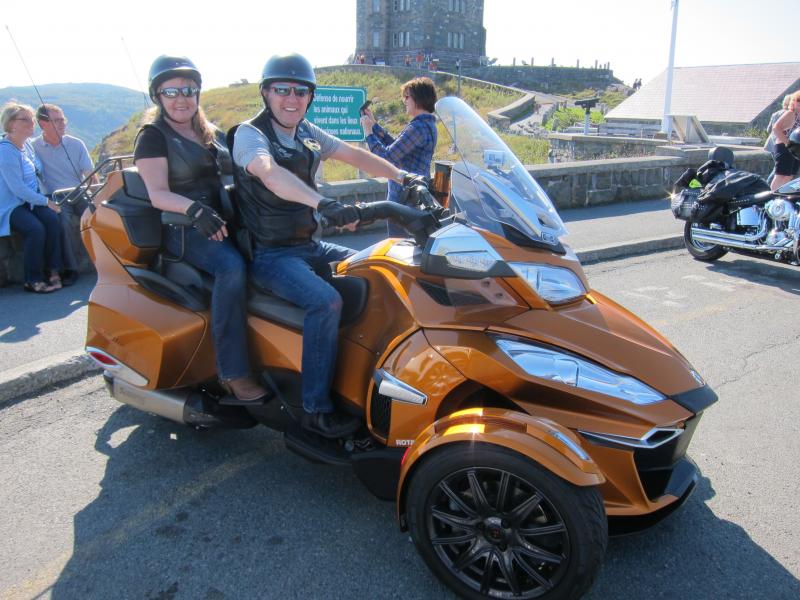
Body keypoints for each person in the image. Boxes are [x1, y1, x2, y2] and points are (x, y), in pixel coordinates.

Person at [231, 53, 423, 439]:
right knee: (326, 302)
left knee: (382, 267)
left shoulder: (305, 131)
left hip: (309, 245)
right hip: (271, 254)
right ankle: (315, 410)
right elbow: (270, 174)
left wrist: (404, 177)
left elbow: (353, 154)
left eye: (300, 91)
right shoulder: (250, 135)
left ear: (309, 97)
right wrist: (323, 204)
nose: (291, 98)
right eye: (282, 89)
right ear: (266, 92)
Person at [134, 55, 269, 404]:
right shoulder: (152, 136)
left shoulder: (211, 132)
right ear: (158, 96)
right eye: (171, 92)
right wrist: (194, 210)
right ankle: (233, 372)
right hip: (184, 228)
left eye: (188, 90)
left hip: (223, 220)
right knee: (230, 266)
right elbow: (157, 194)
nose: (181, 98)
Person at [360, 76, 437, 236]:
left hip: (404, 200)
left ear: (419, 98)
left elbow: (386, 158)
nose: (404, 100)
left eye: (407, 97)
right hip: (411, 198)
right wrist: (374, 126)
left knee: (398, 245)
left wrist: (368, 133)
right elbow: (398, 148)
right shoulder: (426, 124)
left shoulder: (418, 127)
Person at [0, 102, 62, 293]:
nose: (31, 123)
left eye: (32, 119)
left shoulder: (26, 145)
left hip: (30, 200)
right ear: (11, 124)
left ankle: (53, 271)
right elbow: (17, 188)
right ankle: (32, 279)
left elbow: (36, 173)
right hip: (11, 205)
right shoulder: (5, 151)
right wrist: (46, 201)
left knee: (52, 220)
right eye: (25, 120)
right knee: (35, 229)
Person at [31, 103, 95, 286]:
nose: (62, 124)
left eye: (63, 119)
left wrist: (94, 194)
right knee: (62, 223)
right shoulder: (33, 147)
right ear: (43, 124)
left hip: (79, 190)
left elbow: (90, 174)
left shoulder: (75, 144)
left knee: (99, 216)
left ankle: (111, 260)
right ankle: (71, 268)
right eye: (57, 120)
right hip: (56, 195)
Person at [770, 91, 800, 191]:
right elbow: (775, 128)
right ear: (794, 102)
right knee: (780, 175)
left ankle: (781, 194)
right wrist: (788, 143)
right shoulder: (791, 113)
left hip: (795, 149)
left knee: (789, 176)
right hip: (784, 146)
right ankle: (773, 196)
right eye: (798, 102)